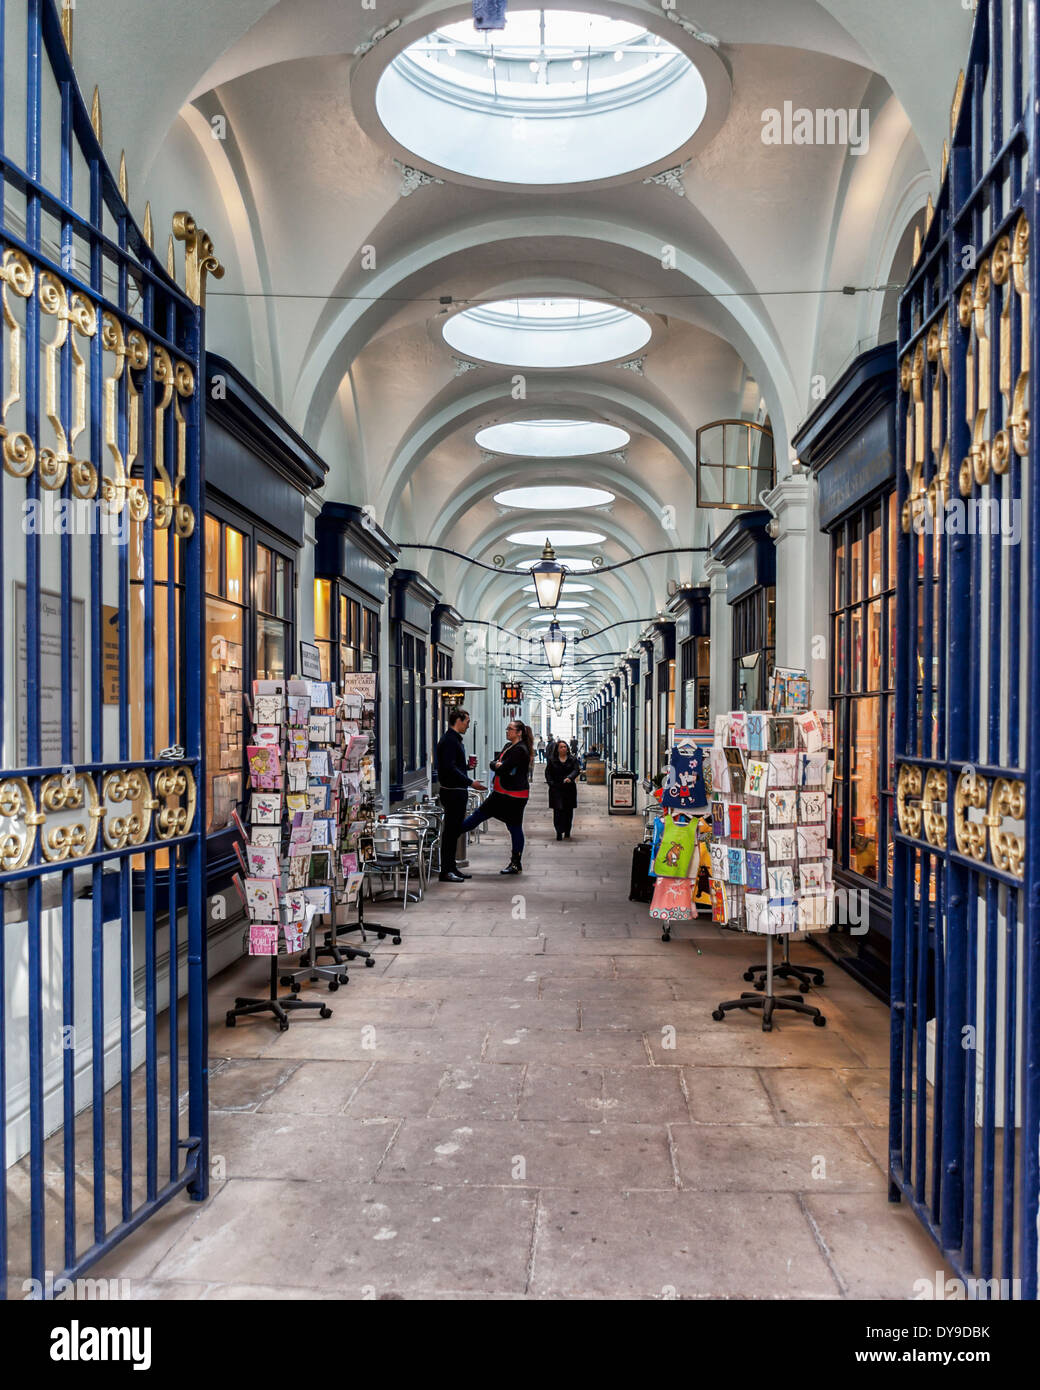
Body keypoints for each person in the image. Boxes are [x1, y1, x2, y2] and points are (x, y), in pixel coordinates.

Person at [461, 719, 533, 875]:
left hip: (512, 795)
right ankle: (516, 863)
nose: (507, 731)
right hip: (502, 793)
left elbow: (503, 768)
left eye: (510, 729)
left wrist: (498, 765)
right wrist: (497, 764)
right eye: (507, 728)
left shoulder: (520, 750)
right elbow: (495, 763)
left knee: (511, 825)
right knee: (505, 824)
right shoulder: (509, 746)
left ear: (519, 732)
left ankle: (516, 863)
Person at [435, 707, 485, 883]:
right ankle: (446, 870)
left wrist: (467, 768)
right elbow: (448, 768)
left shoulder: (454, 740)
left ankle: (451, 866)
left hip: (457, 791)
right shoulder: (449, 740)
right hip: (452, 793)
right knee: (450, 832)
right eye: (467, 722)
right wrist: (471, 782)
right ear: (459, 720)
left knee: (454, 831)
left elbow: (454, 766)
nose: (468, 725)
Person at [545, 739, 580, 840]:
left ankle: (567, 830)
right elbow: (548, 773)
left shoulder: (572, 759)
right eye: (561, 747)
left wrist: (570, 777)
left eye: (565, 747)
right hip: (556, 789)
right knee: (558, 810)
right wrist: (551, 783)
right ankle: (559, 831)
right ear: (557, 749)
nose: (564, 748)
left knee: (568, 811)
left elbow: (576, 770)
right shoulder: (552, 760)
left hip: (569, 789)